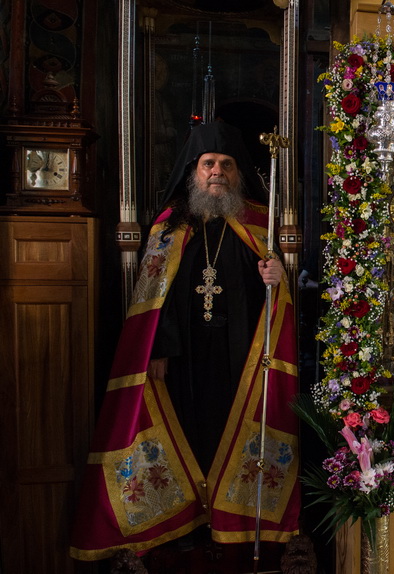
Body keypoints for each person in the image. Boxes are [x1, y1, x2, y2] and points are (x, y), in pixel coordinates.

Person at [70, 122, 301, 561]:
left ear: (237, 174)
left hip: (242, 356)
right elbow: (154, 297)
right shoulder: (170, 226)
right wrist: (157, 347)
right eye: (209, 163)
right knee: (188, 430)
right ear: (194, 171)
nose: (218, 172)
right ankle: (188, 521)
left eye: (226, 165)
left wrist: (277, 280)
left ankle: (231, 520)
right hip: (183, 356)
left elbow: (273, 299)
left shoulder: (258, 223)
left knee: (231, 431)